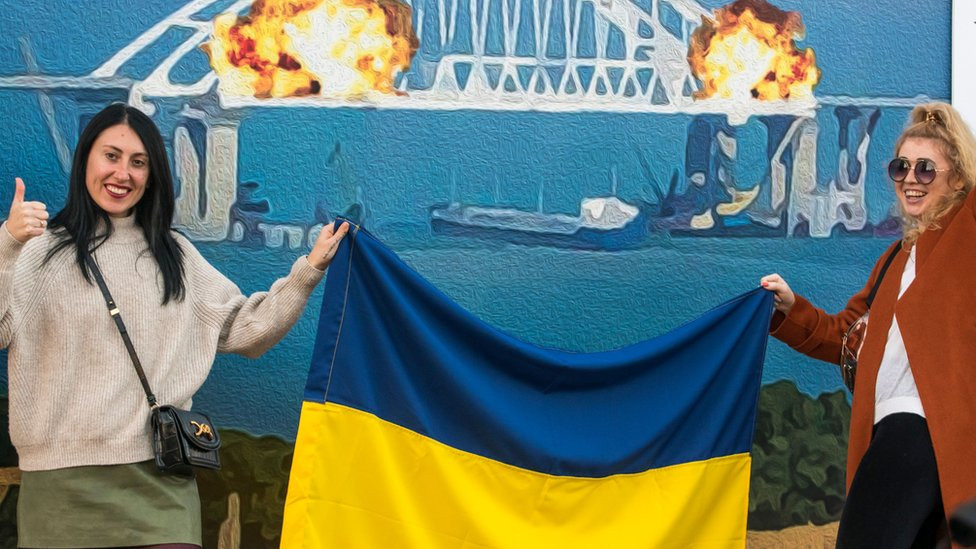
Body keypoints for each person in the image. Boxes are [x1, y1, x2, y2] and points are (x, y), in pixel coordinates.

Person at [0, 103, 349, 548]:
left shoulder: (176, 256)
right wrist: (8, 243)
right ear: (86, 158)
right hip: (60, 487)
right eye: (111, 156)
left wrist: (309, 270)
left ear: (153, 175)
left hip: (159, 484)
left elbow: (247, 330)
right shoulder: (38, 253)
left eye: (138, 162)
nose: (122, 173)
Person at [761, 101, 976, 548]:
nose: (911, 179)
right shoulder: (894, 261)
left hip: (919, 430)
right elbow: (845, 336)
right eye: (901, 167)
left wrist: (941, 121)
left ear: (957, 179)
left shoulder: (967, 234)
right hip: (889, 432)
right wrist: (788, 308)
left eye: (926, 169)